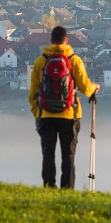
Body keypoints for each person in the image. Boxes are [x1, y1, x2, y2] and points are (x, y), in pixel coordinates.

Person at [28, 26, 100, 189]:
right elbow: (84, 87)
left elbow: (33, 93)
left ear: (51, 41)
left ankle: (49, 187)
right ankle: (67, 189)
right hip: (69, 115)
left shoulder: (41, 61)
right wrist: (95, 87)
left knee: (48, 154)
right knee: (68, 155)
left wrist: (37, 114)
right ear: (66, 40)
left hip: (46, 115)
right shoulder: (74, 60)